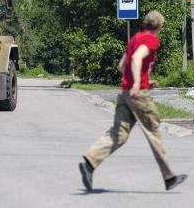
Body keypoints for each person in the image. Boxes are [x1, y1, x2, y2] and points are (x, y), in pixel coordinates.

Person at [79, 10, 187, 192]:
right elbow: (137, 58)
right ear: (159, 26)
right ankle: (169, 178)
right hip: (138, 96)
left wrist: (141, 80)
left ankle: (90, 162)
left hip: (125, 93)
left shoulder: (134, 38)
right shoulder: (151, 39)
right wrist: (138, 83)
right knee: (153, 131)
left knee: (118, 134)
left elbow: (122, 66)